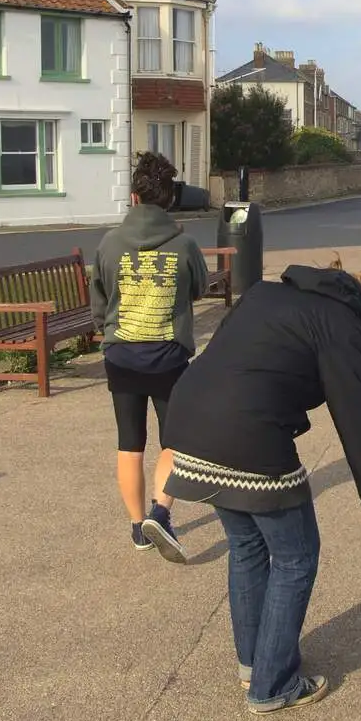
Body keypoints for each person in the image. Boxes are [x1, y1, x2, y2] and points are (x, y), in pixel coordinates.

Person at [162, 258, 361, 714]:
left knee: (247, 548)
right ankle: (274, 684)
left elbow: (235, 359)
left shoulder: (265, 293)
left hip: (188, 420)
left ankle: (254, 664)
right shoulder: (345, 324)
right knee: (296, 557)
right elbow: (360, 424)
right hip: (249, 436)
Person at [90, 152, 208, 561]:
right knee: (175, 440)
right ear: (169, 200)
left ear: (134, 197)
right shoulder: (184, 244)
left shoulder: (109, 242)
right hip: (168, 356)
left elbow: (100, 296)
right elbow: (198, 288)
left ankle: (138, 527)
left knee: (130, 442)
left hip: (121, 354)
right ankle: (162, 511)